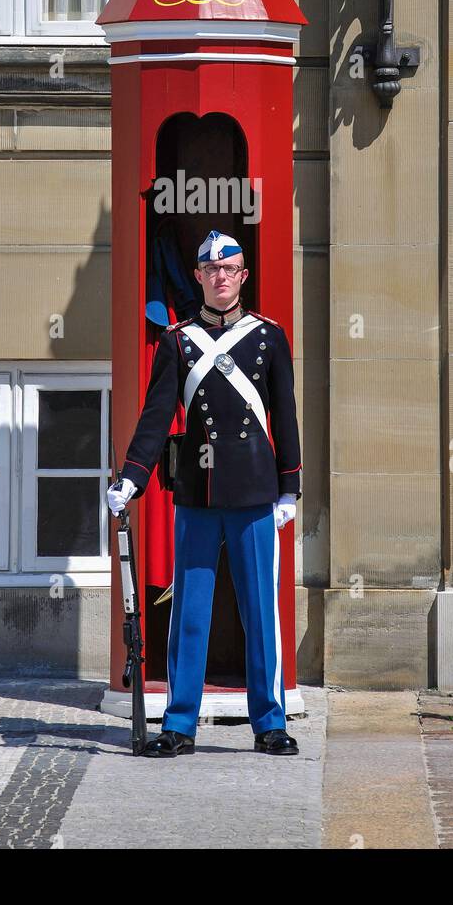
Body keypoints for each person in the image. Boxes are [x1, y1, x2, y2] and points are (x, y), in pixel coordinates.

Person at [107, 228, 302, 757]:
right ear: (198, 276)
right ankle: (179, 723)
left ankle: (270, 721)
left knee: (261, 613)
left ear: (243, 276)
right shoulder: (178, 340)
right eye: (210, 270)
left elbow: (284, 415)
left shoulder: (268, 337)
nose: (220, 278)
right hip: (196, 494)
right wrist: (132, 476)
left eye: (229, 269)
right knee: (189, 612)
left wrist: (290, 489)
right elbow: (154, 418)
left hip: (255, 495)